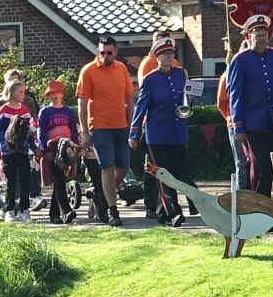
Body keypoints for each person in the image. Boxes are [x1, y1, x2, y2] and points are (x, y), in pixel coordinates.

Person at [75, 35, 137, 226]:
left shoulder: (121, 69)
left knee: (124, 166)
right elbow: (82, 104)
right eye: (102, 52)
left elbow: (129, 100)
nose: (105, 56)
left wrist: (132, 127)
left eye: (109, 52)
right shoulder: (88, 71)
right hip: (100, 127)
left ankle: (101, 194)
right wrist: (85, 131)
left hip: (122, 126)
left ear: (115, 51)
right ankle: (113, 211)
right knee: (107, 167)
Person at [132, 37, 193, 225]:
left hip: (177, 132)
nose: (168, 57)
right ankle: (174, 212)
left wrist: (190, 100)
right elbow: (141, 107)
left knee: (175, 172)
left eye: (171, 53)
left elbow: (185, 99)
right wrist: (134, 133)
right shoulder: (150, 80)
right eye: (164, 54)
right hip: (157, 135)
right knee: (163, 175)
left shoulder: (180, 74)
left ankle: (162, 213)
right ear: (157, 57)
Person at [222, 13, 273, 193]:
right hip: (251, 121)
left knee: (271, 164)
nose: (261, 39)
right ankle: (257, 200)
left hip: (271, 120)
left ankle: (264, 200)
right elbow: (235, 94)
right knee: (259, 163)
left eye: (264, 35)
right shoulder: (240, 59)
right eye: (257, 35)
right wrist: (238, 126)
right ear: (249, 37)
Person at [0, 72, 38, 220]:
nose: (23, 95)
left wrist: (34, 147)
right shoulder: (3, 110)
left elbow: (29, 131)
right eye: (20, 92)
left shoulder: (24, 110)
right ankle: (10, 209)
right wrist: (6, 143)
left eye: (24, 92)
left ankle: (24, 210)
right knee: (11, 180)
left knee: (25, 178)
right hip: (9, 150)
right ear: (11, 92)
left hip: (23, 149)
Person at [36, 80, 83, 223]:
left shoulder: (68, 111)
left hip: (66, 149)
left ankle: (54, 214)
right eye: (52, 93)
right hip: (52, 149)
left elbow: (73, 130)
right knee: (58, 178)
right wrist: (44, 149)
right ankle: (67, 211)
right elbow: (40, 131)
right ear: (48, 96)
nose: (55, 96)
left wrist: (75, 146)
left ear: (62, 94)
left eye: (57, 92)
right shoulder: (45, 112)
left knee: (60, 181)